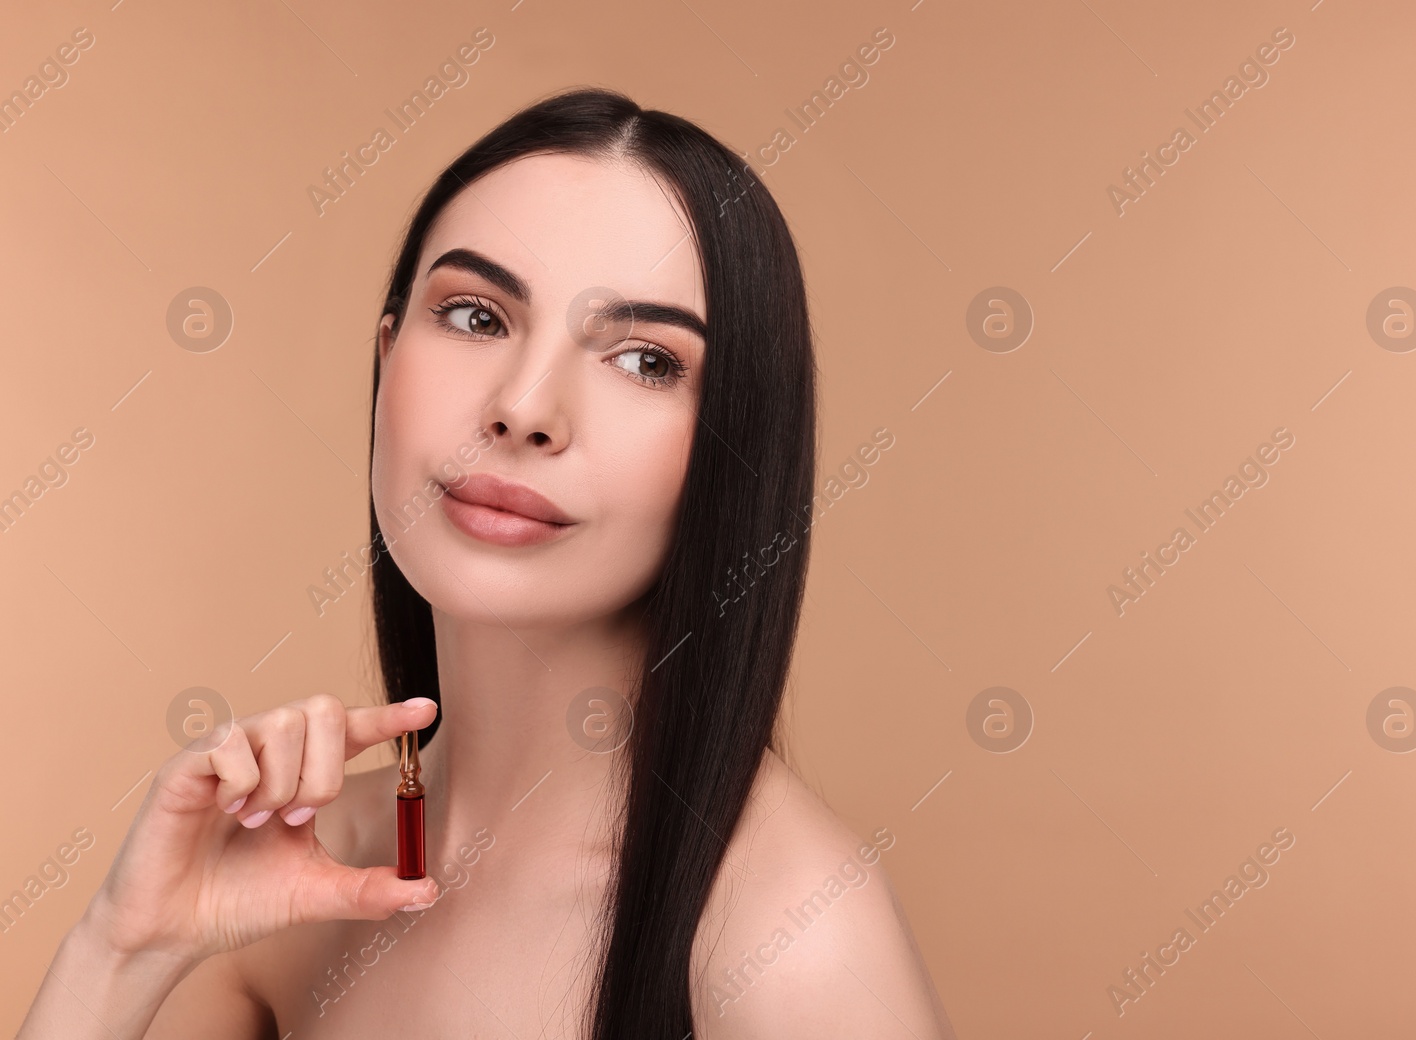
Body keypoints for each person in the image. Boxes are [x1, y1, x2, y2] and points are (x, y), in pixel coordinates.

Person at [17, 87, 957, 1038]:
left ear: (733, 444)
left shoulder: (793, 941)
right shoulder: (285, 887)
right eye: (475, 316)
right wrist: (123, 948)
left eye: (644, 361)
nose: (525, 406)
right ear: (387, 358)